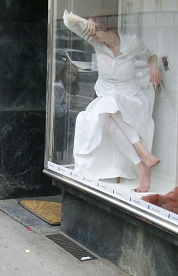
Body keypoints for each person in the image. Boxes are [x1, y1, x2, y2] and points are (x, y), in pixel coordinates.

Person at [64, 10, 162, 192]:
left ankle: (141, 161)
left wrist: (154, 66)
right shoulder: (96, 42)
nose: (91, 35)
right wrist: (83, 20)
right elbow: (67, 20)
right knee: (108, 114)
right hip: (107, 99)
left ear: (106, 30)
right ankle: (142, 161)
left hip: (132, 99)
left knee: (110, 109)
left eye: (95, 31)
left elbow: (151, 55)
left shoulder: (131, 43)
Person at [53, 62, 79, 162]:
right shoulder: (58, 88)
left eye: (74, 75)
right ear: (64, 73)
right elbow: (57, 111)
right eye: (69, 73)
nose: (71, 77)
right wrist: (69, 105)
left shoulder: (59, 86)